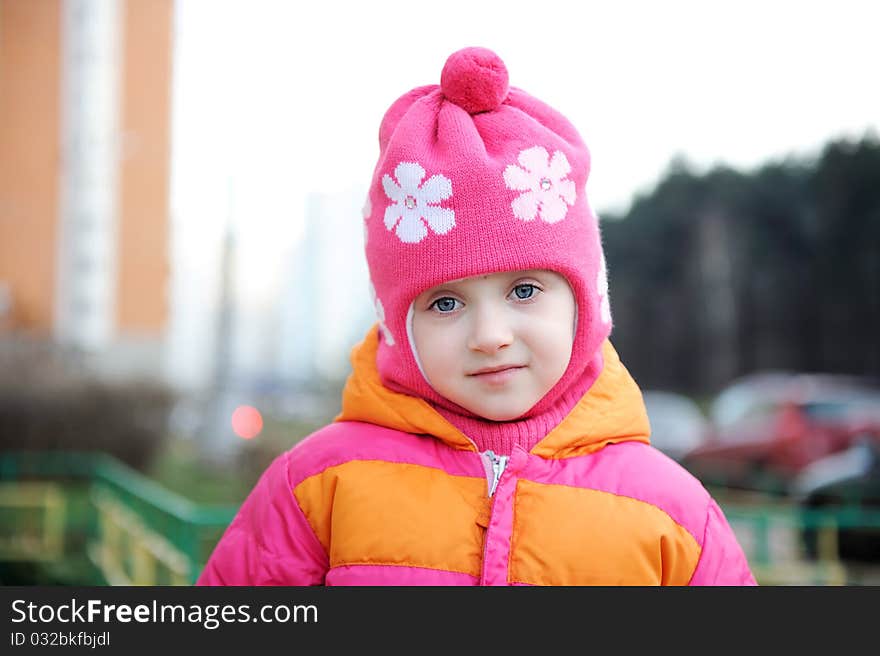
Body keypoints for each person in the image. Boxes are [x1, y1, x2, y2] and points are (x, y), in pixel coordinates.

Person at [197, 46, 757, 586]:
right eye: (445, 302)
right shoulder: (318, 486)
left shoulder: (673, 513)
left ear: (584, 306)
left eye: (525, 290)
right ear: (398, 326)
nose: (490, 336)